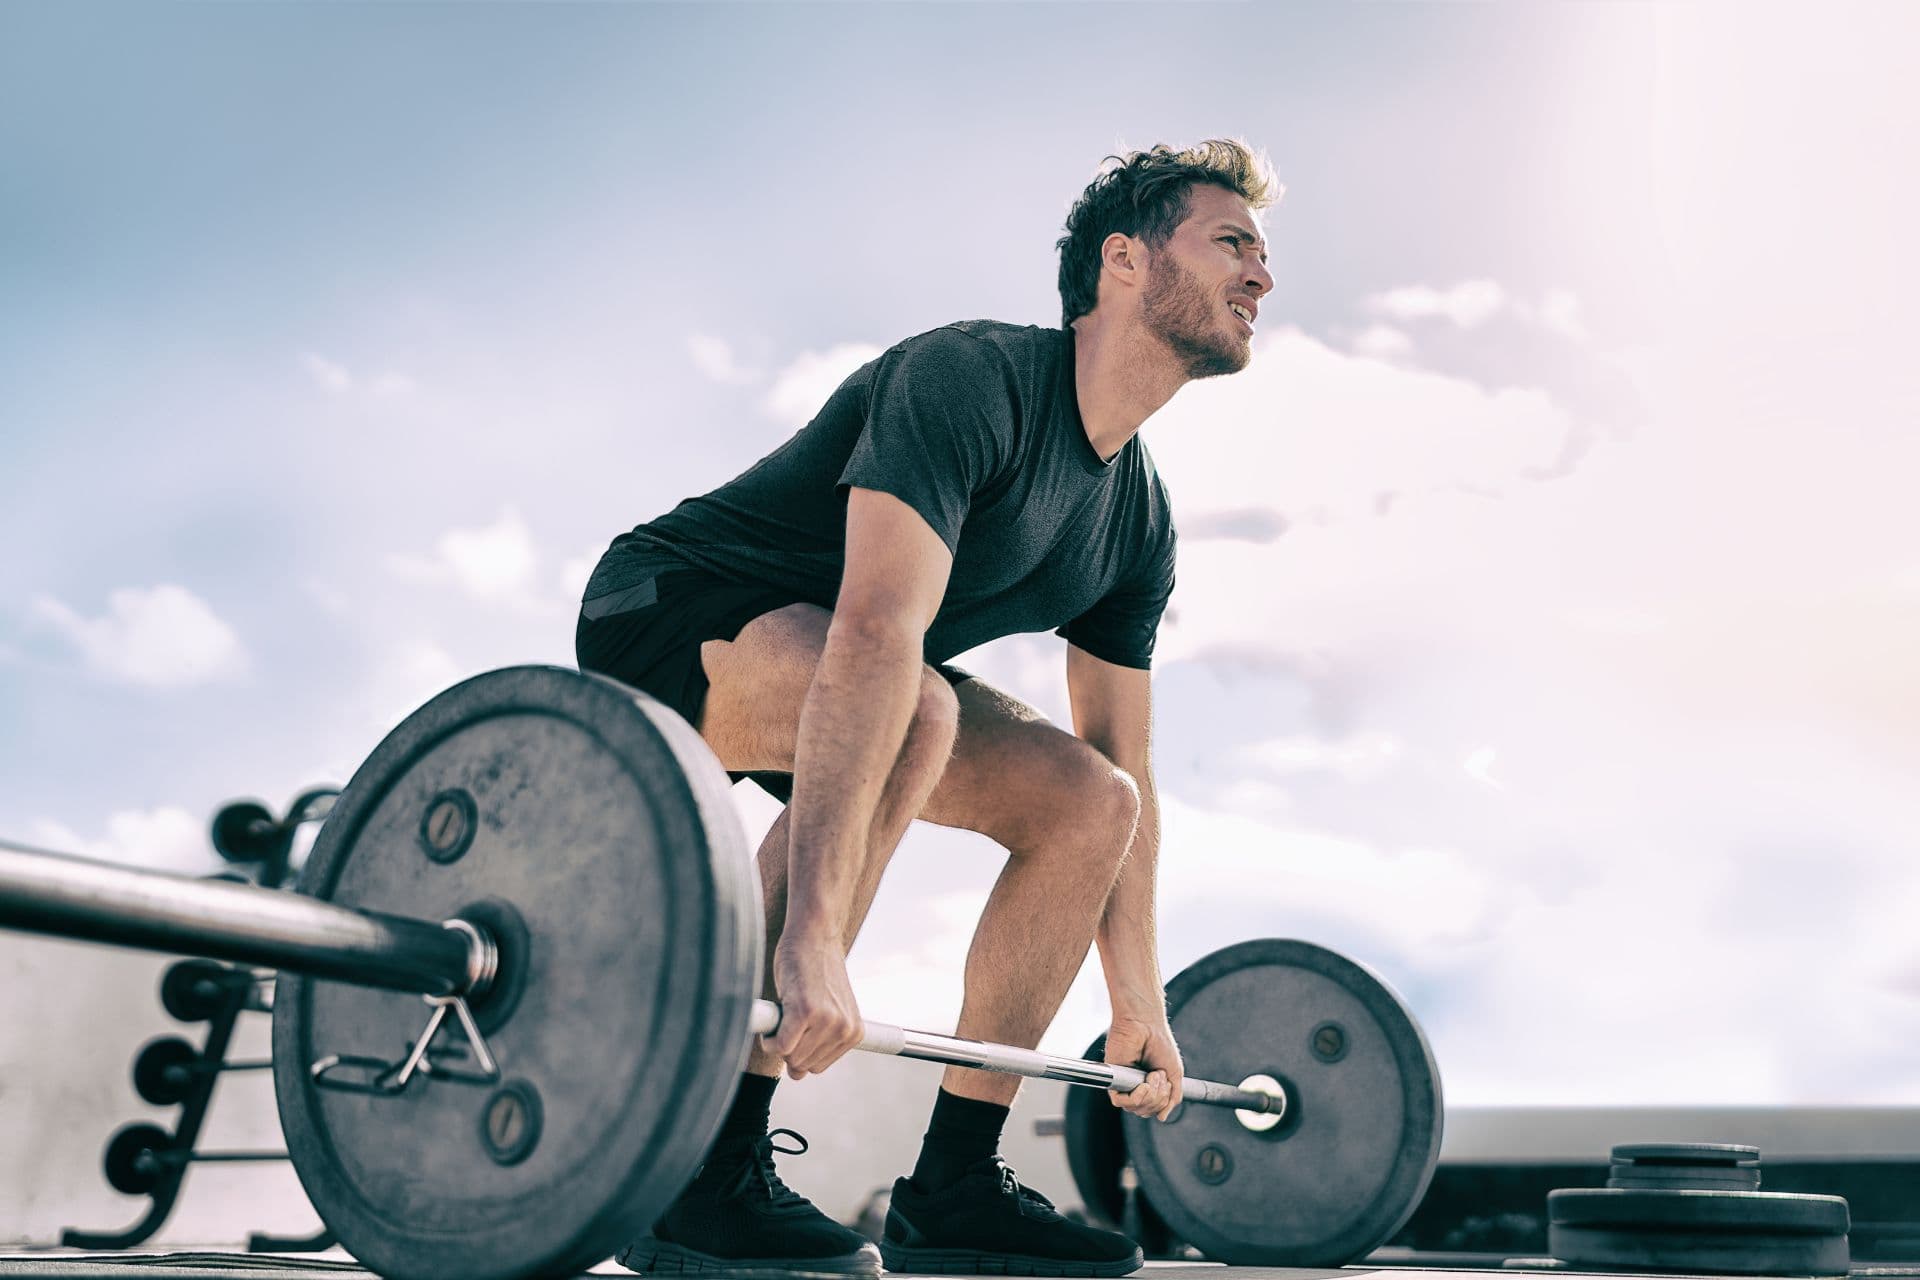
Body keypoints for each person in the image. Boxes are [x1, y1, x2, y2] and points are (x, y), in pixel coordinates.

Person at [576, 138, 1278, 1279]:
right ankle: (703, 1173)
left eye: (1262, 253)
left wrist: (1135, 995)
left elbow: (1125, 762)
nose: (1261, 276)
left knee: (1088, 801)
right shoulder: (971, 377)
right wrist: (809, 937)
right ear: (1126, 263)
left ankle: (952, 1185)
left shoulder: (1136, 520)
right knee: (916, 711)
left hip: (861, 670)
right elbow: (874, 634)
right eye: (1232, 243)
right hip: (665, 610)